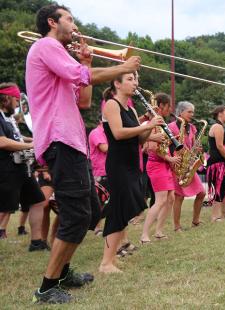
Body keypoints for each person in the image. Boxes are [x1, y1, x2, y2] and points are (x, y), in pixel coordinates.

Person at [26, 4, 141, 303]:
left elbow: (85, 101)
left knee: (87, 210)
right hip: (60, 141)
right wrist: (123, 67)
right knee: (76, 215)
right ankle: (48, 286)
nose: (75, 25)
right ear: (52, 22)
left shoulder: (60, 57)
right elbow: (82, 76)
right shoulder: (46, 45)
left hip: (73, 143)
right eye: (70, 19)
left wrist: (86, 62)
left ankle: (63, 273)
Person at [99, 73, 162, 273]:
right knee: (118, 211)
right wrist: (149, 126)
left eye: (136, 78)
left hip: (132, 164)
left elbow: (139, 140)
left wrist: (150, 127)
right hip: (118, 165)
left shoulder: (131, 110)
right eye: (129, 79)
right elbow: (118, 133)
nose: (135, 82)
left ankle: (111, 259)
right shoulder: (111, 104)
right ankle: (106, 263)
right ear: (117, 83)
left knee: (126, 209)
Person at [0, 83, 47, 250]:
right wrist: (30, 146)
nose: (17, 104)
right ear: (5, 98)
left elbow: (18, 138)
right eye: (15, 99)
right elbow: (2, 142)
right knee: (4, 209)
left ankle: (36, 242)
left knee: (38, 201)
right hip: (5, 170)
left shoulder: (9, 119)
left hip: (21, 169)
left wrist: (35, 140)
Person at [141, 93, 180, 242]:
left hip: (164, 165)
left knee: (170, 198)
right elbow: (151, 146)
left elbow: (160, 144)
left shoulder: (161, 122)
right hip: (156, 164)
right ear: (161, 106)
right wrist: (169, 157)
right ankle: (144, 234)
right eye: (168, 106)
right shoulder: (153, 122)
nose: (169, 109)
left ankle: (159, 231)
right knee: (160, 199)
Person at [168, 101, 206, 232]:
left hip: (188, 163)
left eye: (193, 112)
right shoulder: (171, 127)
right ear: (180, 112)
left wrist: (198, 148)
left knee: (202, 193)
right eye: (189, 111)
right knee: (179, 196)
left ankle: (195, 221)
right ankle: (176, 226)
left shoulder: (192, 127)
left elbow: (193, 144)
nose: (192, 114)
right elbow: (167, 145)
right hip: (177, 164)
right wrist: (172, 159)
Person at [88, 119, 108, 236]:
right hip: (99, 171)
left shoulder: (105, 133)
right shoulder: (96, 133)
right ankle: (96, 227)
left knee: (107, 201)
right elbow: (104, 148)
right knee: (100, 200)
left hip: (107, 170)